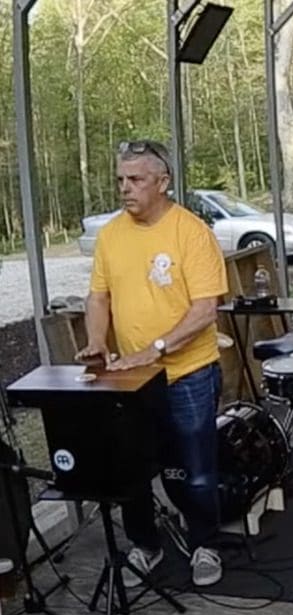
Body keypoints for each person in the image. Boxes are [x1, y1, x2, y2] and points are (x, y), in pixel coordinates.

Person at [75, 140, 229, 588]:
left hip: (188, 374)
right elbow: (98, 295)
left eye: (136, 180)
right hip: (132, 378)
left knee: (196, 470)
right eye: (121, 180)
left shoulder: (191, 231)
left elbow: (205, 310)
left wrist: (156, 348)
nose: (125, 188)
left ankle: (205, 545)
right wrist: (97, 341)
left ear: (163, 183)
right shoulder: (111, 235)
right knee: (133, 470)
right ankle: (146, 547)